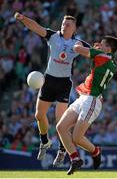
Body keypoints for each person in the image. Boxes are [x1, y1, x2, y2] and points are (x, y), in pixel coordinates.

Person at [14, 12, 90, 166]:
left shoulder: (78, 44)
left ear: (74, 28)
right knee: (39, 115)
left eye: (68, 24)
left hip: (63, 84)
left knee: (61, 121)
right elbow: (36, 27)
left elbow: (93, 53)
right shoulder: (53, 36)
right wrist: (23, 19)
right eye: (63, 23)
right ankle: (45, 142)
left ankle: (62, 150)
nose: (64, 26)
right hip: (48, 80)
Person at [56, 36, 117, 175]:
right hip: (84, 98)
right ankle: (75, 159)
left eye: (102, 44)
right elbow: (96, 66)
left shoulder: (103, 55)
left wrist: (76, 40)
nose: (99, 45)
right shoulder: (110, 60)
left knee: (77, 138)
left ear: (108, 48)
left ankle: (96, 151)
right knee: (61, 127)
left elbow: (76, 48)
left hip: (92, 100)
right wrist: (93, 51)